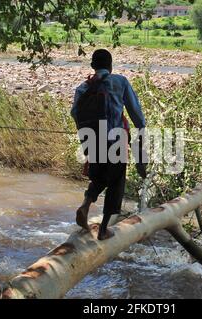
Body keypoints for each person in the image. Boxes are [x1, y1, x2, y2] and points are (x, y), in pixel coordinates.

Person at [71, 49, 147, 240]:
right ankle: (104, 230)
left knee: (99, 177)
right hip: (116, 139)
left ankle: (86, 204)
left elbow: (74, 113)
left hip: (92, 139)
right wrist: (141, 129)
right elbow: (135, 112)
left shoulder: (83, 88)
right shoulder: (119, 82)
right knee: (115, 182)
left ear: (92, 66)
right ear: (111, 66)